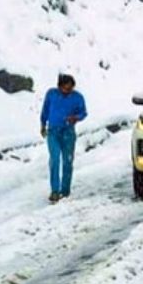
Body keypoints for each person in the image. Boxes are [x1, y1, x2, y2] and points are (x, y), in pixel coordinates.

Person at [40, 73, 87, 203]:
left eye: (71, 88)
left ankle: (65, 191)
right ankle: (55, 191)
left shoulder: (78, 97)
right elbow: (45, 110)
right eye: (66, 88)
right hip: (53, 132)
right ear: (59, 86)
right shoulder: (51, 94)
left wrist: (76, 118)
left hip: (68, 132)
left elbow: (83, 112)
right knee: (54, 159)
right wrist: (43, 125)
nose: (68, 91)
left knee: (67, 161)